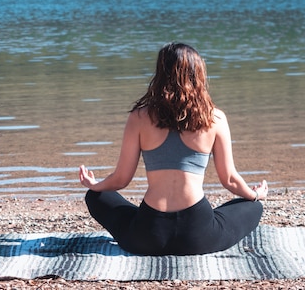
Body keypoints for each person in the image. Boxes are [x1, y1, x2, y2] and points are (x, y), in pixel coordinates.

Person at [79, 42, 268, 255]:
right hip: (198, 236)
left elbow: (122, 179)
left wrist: (95, 185)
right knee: (253, 206)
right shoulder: (215, 118)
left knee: (95, 197)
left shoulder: (139, 117)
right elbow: (230, 180)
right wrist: (255, 195)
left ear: (160, 74)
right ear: (198, 75)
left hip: (148, 235)